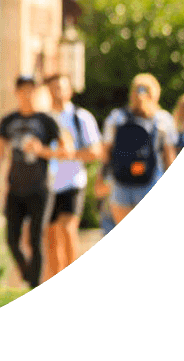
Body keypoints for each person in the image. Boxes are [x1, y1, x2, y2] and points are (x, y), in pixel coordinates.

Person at [0, 75, 70, 288]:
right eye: (23, 90)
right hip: (15, 188)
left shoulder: (46, 121)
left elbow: (66, 151)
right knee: (12, 240)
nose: (27, 94)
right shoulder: (8, 121)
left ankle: (33, 284)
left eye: (31, 90)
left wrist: (41, 150)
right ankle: (27, 274)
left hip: (40, 188)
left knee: (36, 239)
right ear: (16, 93)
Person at [45, 73, 102, 277]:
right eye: (53, 88)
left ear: (70, 90)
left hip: (72, 182)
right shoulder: (43, 119)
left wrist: (71, 154)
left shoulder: (81, 117)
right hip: (48, 185)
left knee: (68, 232)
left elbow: (96, 152)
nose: (57, 92)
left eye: (61, 87)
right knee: (50, 238)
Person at [101, 73, 177, 224]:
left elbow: (106, 151)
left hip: (121, 180)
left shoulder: (117, 117)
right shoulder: (163, 119)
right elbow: (169, 156)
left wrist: (102, 177)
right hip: (151, 178)